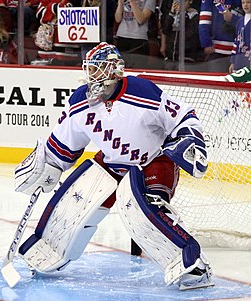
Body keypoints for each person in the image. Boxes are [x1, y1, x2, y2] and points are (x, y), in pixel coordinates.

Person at [14, 42, 213, 290]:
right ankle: (48, 251)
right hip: (110, 164)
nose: (92, 75)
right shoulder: (80, 101)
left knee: (144, 213)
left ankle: (193, 266)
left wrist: (188, 138)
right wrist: (48, 165)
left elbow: (182, 116)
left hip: (152, 161)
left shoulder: (143, 91)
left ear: (115, 70)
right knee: (73, 204)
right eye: (90, 69)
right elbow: (63, 146)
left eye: (99, 69)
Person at [199, 0, 243, 72]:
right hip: (216, 51)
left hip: (239, 51)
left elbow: (248, 22)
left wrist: (233, 19)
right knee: (217, 81)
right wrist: (206, 43)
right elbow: (204, 22)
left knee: (237, 82)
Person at [161, 0, 204, 70]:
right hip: (171, 56)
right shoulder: (172, 15)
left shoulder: (194, 16)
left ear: (190, 1)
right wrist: (171, 14)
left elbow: (190, 34)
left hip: (186, 57)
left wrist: (183, 15)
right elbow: (165, 30)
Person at [114, 0, 156, 68]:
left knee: (138, 67)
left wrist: (132, 2)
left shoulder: (149, 1)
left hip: (139, 38)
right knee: (121, 68)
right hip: (122, 36)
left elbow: (141, 19)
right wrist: (120, 3)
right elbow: (117, 19)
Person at [229, 0, 251, 72]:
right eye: (243, 2)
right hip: (239, 61)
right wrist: (233, 61)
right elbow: (236, 41)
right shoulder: (240, 21)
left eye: (248, 2)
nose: (245, 5)